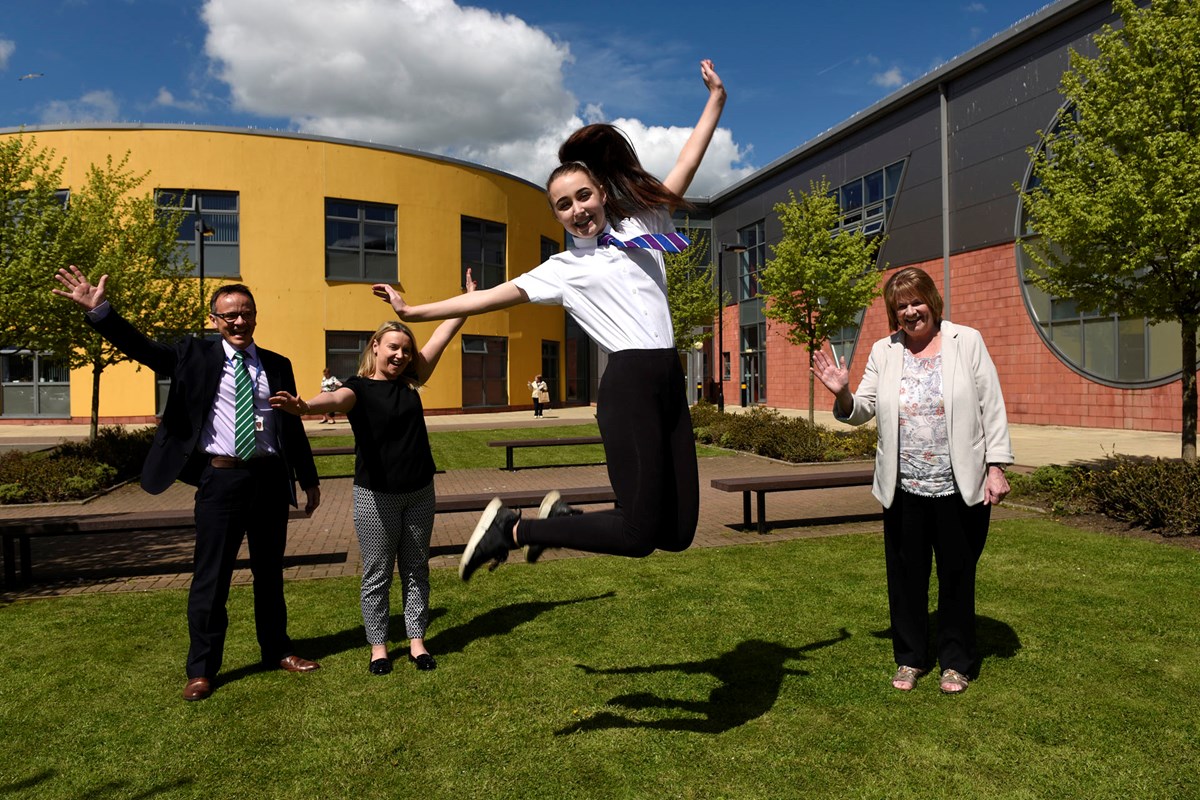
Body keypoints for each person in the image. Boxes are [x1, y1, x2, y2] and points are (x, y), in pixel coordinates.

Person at [372, 59, 726, 582]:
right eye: (564, 205)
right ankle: (515, 530)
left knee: (677, 533)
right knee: (636, 535)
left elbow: (686, 164)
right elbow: (490, 298)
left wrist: (715, 99)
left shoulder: (644, 225)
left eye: (583, 196)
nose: (578, 209)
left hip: (670, 381)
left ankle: (557, 520)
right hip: (629, 384)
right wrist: (413, 310)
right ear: (557, 215)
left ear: (602, 192)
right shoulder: (563, 269)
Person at [52, 266, 322, 702]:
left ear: (256, 316)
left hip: (270, 479)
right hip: (222, 479)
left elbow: (289, 426)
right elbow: (143, 349)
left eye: (246, 313)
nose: (239, 321)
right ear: (214, 320)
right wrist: (101, 312)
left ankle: (278, 650)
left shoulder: (277, 363)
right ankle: (202, 669)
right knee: (210, 578)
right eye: (229, 315)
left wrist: (307, 479)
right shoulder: (192, 354)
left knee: (269, 574)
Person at [811, 266, 1013, 695]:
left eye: (916, 301)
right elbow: (861, 407)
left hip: (958, 486)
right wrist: (842, 393)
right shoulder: (885, 351)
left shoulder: (967, 342)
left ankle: (956, 663)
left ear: (932, 302)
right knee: (906, 577)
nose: (910, 311)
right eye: (900, 306)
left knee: (957, 575)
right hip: (904, 488)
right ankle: (910, 659)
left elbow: (991, 405)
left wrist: (996, 468)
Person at [270, 275, 473, 675]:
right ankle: (378, 647)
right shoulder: (357, 389)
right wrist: (305, 406)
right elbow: (333, 399)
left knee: (417, 569)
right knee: (378, 573)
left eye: (405, 350)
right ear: (375, 347)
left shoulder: (413, 380)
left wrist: (468, 301)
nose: (399, 356)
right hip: (375, 496)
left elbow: (444, 333)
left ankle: (417, 641)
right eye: (392, 348)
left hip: (419, 491)